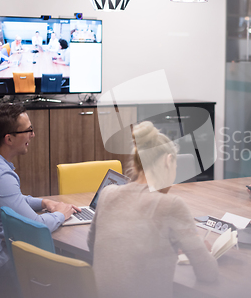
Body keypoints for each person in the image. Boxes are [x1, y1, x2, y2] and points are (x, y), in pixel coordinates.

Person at [87, 121, 218, 298]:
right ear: (168, 160)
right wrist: (201, 248)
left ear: (135, 164)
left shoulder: (107, 193)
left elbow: (92, 244)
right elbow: (208, 274)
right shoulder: (172, 205)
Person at [0, 103, 79, 297]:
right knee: (60, 279)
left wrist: (44, 202)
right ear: (9, 138)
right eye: (28, 130)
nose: (33, 135)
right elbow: (37, 226)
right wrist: (61, 214)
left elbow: (12, 200)